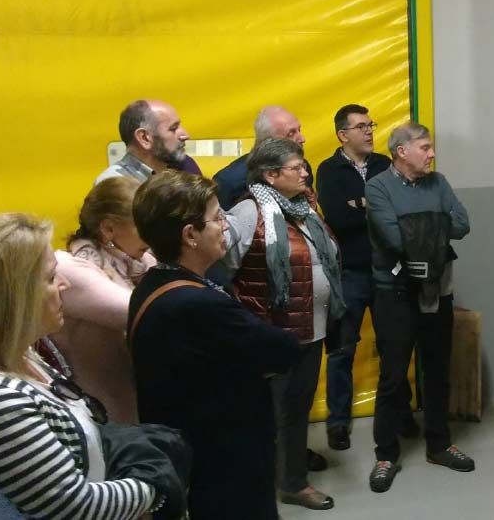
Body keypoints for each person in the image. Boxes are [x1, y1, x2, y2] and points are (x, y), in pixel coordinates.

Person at [129, 171, 301, 519]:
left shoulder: (153, 283)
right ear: (190, 235)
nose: (226, 226)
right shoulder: (196, 303)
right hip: (224, 460)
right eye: (218, 217)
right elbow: (282, 349)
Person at [0, 212, 160, 519]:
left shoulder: (24, 356)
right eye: (50, 278)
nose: (65, 284)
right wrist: (156, 481)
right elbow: (75, 506)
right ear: (15, 297)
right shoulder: (2, 398)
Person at [222, 138, 344, 511]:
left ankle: (292, 482)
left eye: (304, 166)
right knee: (270, 414)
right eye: (297, 168)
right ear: (271, 175)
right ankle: (263, 486)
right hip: (271, 334)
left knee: (296, 410)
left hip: (312, 329)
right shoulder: (249, 212)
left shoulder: (304, 209)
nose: (305, 172)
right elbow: (222, 269)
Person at [364, 122, 473, 493]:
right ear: (401, 152)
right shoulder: (378, 186)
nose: (432, 154)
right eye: (424, 147)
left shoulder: (438, 182)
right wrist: (436, 225)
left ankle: (439, 445)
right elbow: (395, 240)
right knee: (393, 376)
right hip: (395, 293)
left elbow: (463, 224)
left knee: (438, 370)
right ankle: (386, 454)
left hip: (437, 290)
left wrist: (416, 227)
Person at [316, 104, 400, 451]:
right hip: (349, 273)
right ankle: (338, 422)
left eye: (370, 125)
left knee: (393, 346)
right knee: (342, 350)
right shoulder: (329, 169)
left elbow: (397, 210)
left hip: (387, 271)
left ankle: (399, 415)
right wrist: (374, 207)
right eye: (361, 126)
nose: (369, 131)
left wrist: (361, 205)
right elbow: (337, 217)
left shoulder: (384, 164)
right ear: (343, 135)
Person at [51, 176, 154, 424]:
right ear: (108, 229)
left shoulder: (132, 260)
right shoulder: (72, 269)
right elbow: (146, 311)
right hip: (103, 414)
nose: (153, 235)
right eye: (144, 225)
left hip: (130, 401)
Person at [214, 106, 313, 210]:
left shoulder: (302, 168)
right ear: (267, 142)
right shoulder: (228, 182)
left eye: (299, 130)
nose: (302, 139)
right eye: (291, 134)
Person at [96, 99, 190, 184]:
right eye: (173, 129)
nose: (185, 136)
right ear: (144, 138)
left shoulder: (184, 170)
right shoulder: (115, 185)